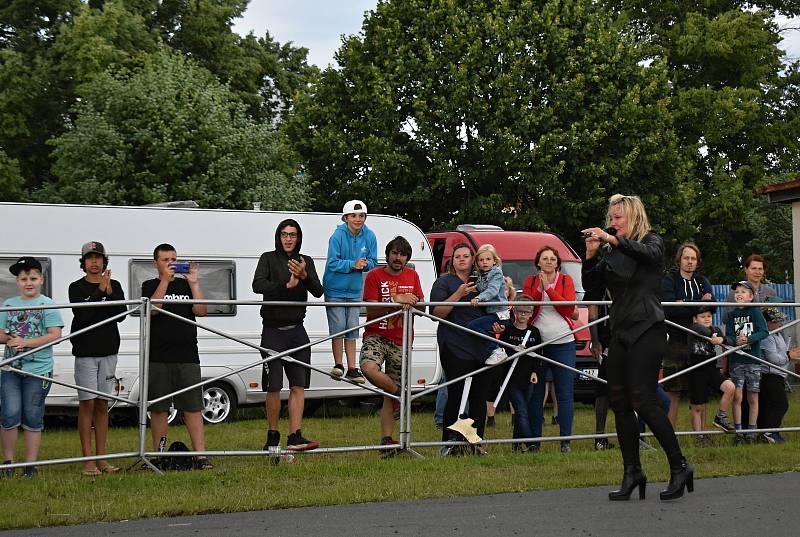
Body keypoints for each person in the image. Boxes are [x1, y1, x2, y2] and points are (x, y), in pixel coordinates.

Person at [582, 194, 692, 501]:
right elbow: (591, 290)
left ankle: (679, 466)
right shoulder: (609, 249)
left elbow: (648, 255)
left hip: (648, 328)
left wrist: (613, 241)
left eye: (618, 218)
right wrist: (590, 257)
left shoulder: (652, 241)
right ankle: (633, 472)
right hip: (619, 330)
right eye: (610, 218)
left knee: (643, 400)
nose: (611, 223)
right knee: (618, 400)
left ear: (633, 217)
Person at [253, 219, 323, 455]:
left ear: (298, 237)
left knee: (298, 385)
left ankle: (295, 434)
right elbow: (257, 285)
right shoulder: (268, 258)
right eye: (284, 234)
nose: (288, 239)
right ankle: (272, 435)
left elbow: (318, 290)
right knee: (273, 386)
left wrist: (303, 276)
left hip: (297, 330)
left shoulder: (306, 261)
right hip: (272, 330)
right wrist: (287, 285)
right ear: (278, 236)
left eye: (292, 235)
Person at [142, 244, 212, 469]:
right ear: (156, 263)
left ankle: (201, 456)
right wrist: (164, 280)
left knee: (192, 407)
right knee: (159, 409)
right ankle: (158, 456)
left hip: (188, 354)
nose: (170, 263)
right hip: (158, 356)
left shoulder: (186, 284)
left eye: (173, 259)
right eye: (165, 260)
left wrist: (194, 282)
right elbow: (152, 309)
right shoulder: (149, 285)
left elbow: (201, 311)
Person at [0, 257, 64, 478]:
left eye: (33, 278)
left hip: (38, 370)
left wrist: (25, 343)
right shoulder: (8, 305)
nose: (29, 282)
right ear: (17, 281)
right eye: (24, 278)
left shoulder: (49, 304)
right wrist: (9, 338)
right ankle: (8, 463)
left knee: (32, 416)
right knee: (9, 413)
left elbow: (55, 335)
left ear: (41, 280)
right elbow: (0, 333)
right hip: (10, 368)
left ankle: (30, 466)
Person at [359, 236, 424, 455]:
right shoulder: (374, 275)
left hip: (402, 339)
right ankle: (400, 396)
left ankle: (387, 442)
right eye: (395, 253)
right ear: (387, 255)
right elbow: (371, 310)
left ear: (407, 258)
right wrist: (397, 299)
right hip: (376, 334)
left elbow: (422, 308)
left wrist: (413, 301)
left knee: (388, 397)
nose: (398, 258)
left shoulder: (413, 275)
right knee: (368, 368)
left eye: (403, 254)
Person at [68, 241, 127, 475]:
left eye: (98, 258)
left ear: (104, 261)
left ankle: (103, 459)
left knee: (103, 404)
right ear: (83, 262)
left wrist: (110, 293)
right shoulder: (76, 287)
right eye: (90, 258)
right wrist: (99, 292)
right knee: (87, 404)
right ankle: (88, 461)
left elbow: (122, 316)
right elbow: (82, 315)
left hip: (109, 351)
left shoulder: (116, 285)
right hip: (85, 353)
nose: (94, 262)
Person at [430, 243, 489, 454]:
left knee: (477, 396)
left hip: (479, 345)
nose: (462, 259)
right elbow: (436, 313)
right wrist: (458, 294)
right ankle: (449, 443)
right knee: (456, 394)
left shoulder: (482, 281)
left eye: (466, 256)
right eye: (458, 256)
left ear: (473, 259)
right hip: (454, 345)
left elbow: (492, 309)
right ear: (452, 261)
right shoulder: (444, 282)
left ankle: (475, 442)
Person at [523, 245, 578, 453]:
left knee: (564, 393)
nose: (548, 262)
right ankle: (535, 441)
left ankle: (565, 440)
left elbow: (568, 308)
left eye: (552, 259)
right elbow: (528, 308)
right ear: (538, 262)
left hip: (563, 342)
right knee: (536, 394)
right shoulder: (530, 281)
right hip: (537, 343)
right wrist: (540, 288)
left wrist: (550, 288)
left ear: (557, 263)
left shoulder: (566, 280)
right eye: (544, 258)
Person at [322, 200, 378, 384]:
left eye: (361, 216)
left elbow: (373, 261)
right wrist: (353, 264)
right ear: (346, 218)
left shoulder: (370, 235)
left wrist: (365, 264)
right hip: (335, 288)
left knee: (352, 327)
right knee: (338, 326)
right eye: (353, 216)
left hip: (354, 290)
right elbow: (332, 262)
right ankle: (339, 365)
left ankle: (352, 368)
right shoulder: (337, 236)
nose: (357, 219)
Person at [660, 242, 714, 427]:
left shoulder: (702, 281)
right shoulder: (670, 279)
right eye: (686, 258)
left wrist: (684, 302)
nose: (690, 262)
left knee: (700, 390)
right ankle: (669, 434)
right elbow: (668, 308)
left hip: (701, 343)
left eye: (693, 258)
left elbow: (711, 307)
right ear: (679, 259)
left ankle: (701, 435)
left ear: (697, 262)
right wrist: (698, 303)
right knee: (673, 391)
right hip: (675, 342)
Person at [725, 280, 770, 445]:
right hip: (736, 361)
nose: (739, 294)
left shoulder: (755, 312)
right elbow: (729, 336)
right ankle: (739, 432)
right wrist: (731, 340)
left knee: (753, 397)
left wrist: (749, 339)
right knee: (737, 397)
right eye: (737, 291)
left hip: (753, 361)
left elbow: (764, 331)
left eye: (743, 292)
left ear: (751, 297)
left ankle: (751, 431)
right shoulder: (732, 315)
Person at [686, 305, 736, 446]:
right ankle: (699, 437)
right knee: (698, 407)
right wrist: (714, 337)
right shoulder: (692, 328)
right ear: (695, 319)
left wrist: (722, 340)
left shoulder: (716, 330)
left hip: (711, 369)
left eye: (709, 316)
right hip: (696, 370)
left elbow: (730, 340)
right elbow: (700, 330)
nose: (707, 319)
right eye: (702, 317)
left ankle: (721, 416)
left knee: (730, 387)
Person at [499, 295, 542, 452]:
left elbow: (538, 355)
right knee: (521, 410)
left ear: (531, 314)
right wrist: (513, 350)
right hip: (512, 379)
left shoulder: (534, 332)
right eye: (520, 311)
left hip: (528, 378)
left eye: (527, 312)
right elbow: (501, 353)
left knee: (522, 412)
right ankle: (531, 444)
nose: (523, 315)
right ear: (514, 311)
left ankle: (516, 444)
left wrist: (535, 372)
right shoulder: (508, 331)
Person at [758, 307, 800, 444]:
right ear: (768, 323)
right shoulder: (767, 337)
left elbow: (780, 354)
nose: (780, 324)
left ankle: (770, 432)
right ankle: (769, 432)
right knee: (781, 404)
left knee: (771, 406)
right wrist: (788, 355)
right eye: (777, 321)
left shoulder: (777, 335)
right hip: (771, 376)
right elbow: (773, 359)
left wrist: (789, 354)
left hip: (779, 375)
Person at [465, 244, 510, 365]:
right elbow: (482, 287)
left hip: (499, 313)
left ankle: (497, 350)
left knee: (473, 326)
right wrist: (474, 289)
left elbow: (492, 290)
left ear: (494, 261)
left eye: (488, 259)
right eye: (481, 260)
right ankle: (493, 350)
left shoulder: (496, 273)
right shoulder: (481, 275)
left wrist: (479, 298)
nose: (484, 262)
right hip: (492, 312)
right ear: (477, 262)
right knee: (475, 328)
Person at [587, 288, 614, 450]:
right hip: (606, 342)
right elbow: (592, 314)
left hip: (629, 338)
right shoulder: (597, 282)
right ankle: (599, 437)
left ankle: (637, 435)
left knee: (631, 389)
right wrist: (595, 340)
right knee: (603, 390)